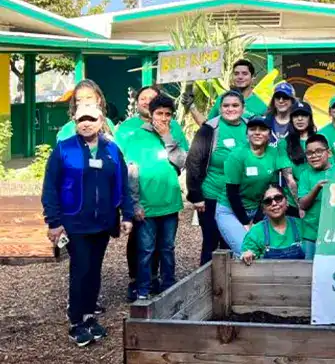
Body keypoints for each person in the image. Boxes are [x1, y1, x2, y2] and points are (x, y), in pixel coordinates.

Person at [41, 104, 134, 346]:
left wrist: (127, 215)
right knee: (81, 268)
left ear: (101, 120)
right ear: (74, 120)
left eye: (91, 119)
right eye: (81, 119)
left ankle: (90, 316)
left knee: (94, 269)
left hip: (102, 222)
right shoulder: (64, 149)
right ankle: (76, 322)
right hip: (75, 222)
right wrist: (54, 222)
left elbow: (122, 184)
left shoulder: (112, 149)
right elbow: (50, 187)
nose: (86, 123)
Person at [119, 95, 187, 300]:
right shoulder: (136, 136)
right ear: (151, 114)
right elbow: (131, 172)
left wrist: (167, 137)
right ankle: (143, 289)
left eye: (168, 114)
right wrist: (135, 204)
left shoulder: (174, 132)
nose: (164, 118)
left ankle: (168, 286)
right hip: (146, 205)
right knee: (146, 249)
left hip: (170, 202)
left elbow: (182, 162)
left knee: (167, 248)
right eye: (159, 113)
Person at [218, 116, 297, 256]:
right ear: (247, 133)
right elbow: (232, 192)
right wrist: (246, 222)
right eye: (252, 129)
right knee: (246, 250)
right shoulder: (237, 155)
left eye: (262, 129)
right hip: (231, 209)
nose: (257, 132)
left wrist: (258, 219)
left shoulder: (274, 153)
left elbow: (271, 188)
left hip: (260, 207)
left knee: (269, 248)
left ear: (269, 133)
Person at [186, 91, 248, 265]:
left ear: (243, 108)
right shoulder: (209, 129)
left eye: (235, 105)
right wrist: (196, 196)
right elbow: (193, 162)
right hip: (212, 195)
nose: (230, 109)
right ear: (220, 108)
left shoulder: (251, 127)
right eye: (226, 106)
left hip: (241, 197)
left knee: (235, 241)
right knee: (211, 242)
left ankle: (233, 284)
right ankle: (208, 286)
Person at [297, 134, 335, 260]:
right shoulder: (305, 175)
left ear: (329, 153)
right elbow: (303, 204)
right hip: (311, 233)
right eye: (309, 153)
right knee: (309, 268)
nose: (314, 156)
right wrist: (316, 188)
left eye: (319, 151)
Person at [184, 59, 268, 124]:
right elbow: (208, 126)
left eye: (244, 74)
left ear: (253, 77)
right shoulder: (222, 100)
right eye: (236, 73)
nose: (240, 77)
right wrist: (192, 106)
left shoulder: (261, 106)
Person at [240, 185, 305, 264]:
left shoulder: (302, 226)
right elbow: (248, 252)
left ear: (287, 202)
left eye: (278, 198)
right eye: (268, 201)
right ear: (263, 209)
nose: (274, 203)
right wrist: (248, 255)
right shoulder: (256, 232)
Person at [282, 101, 317, 214]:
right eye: (296, 115)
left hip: (319, 197)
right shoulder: (283, 144)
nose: (300, 119)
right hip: (295, 203)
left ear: (310, 118)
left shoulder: (320, 139)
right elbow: (289, 178)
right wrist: (301, 206)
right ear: (291, 119)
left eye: (304, 115)